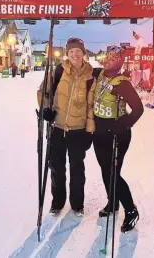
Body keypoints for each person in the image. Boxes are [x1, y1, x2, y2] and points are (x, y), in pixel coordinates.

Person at [37, 37, 95, 217]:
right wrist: (46, 109)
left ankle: (77, 204)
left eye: (78, 51)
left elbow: (91, 105)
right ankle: (57, 202)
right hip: (58, 128)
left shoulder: (91, 75)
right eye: (71, 52)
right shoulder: (59, 70)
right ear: (67, 54)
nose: (75, 54)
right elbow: (43, 92)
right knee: (57, 167)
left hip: (78, 130)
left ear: (83, 53)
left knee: (77, 169)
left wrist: (89, 131)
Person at [92, 45, 144, 233]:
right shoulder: (98, 74)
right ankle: (112, 202)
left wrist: (122, 125)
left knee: (113, 172)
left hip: (117, 134)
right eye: (108, 57)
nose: (109, 60)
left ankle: (131, 210)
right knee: (106, 170)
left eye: (114, 58)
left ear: (120, 62)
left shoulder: (122, 83)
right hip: (99, 132)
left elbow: (138, 109)